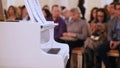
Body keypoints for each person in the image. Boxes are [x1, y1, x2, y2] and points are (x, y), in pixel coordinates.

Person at [96, 3, 120, 68]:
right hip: (113, 40)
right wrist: (111, 41)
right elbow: (109, 33)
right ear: (115, 10)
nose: (119, 11)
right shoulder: (112, 20)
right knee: (100, 48)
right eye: (117, 9)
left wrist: (118, 43)